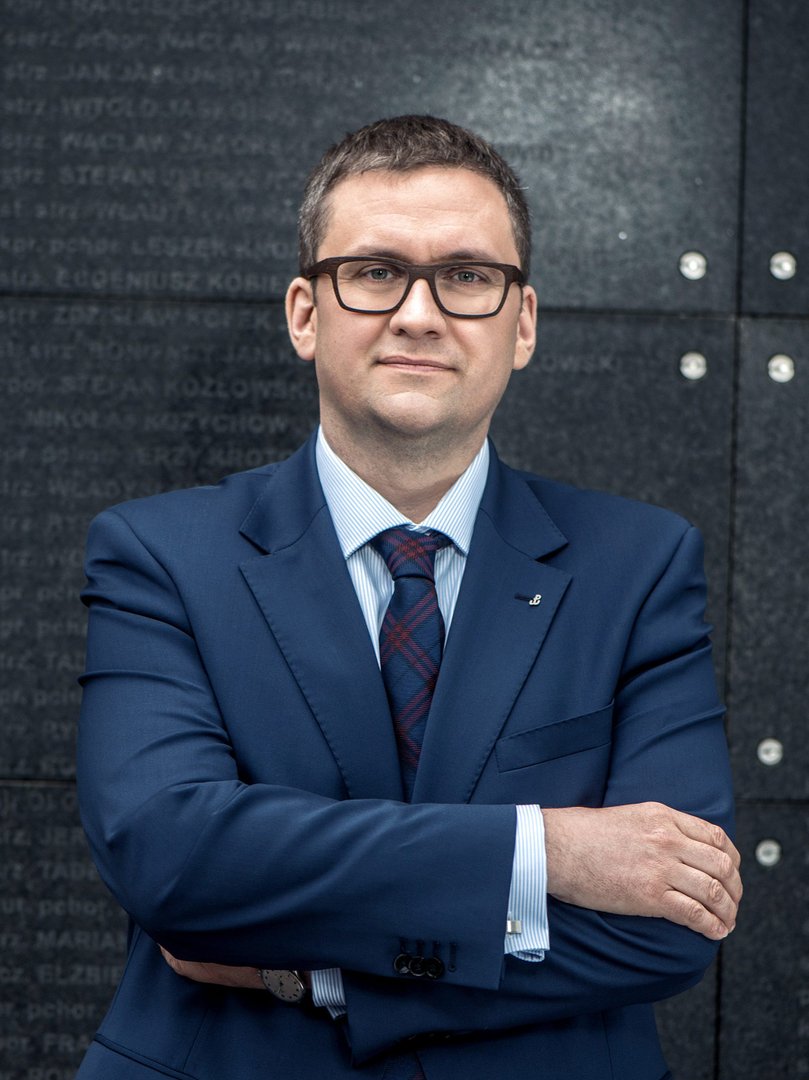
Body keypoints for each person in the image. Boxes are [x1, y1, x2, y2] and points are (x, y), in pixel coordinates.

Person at [75, 115, 741, 1080]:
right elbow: (172, 859)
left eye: (466, 276)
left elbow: (673, 921)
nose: (419, 315)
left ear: (521, 323)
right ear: (306, 313)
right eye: (376, 271)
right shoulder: (159, 556)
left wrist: (309, 975)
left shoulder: (639, 566)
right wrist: (545, 852)